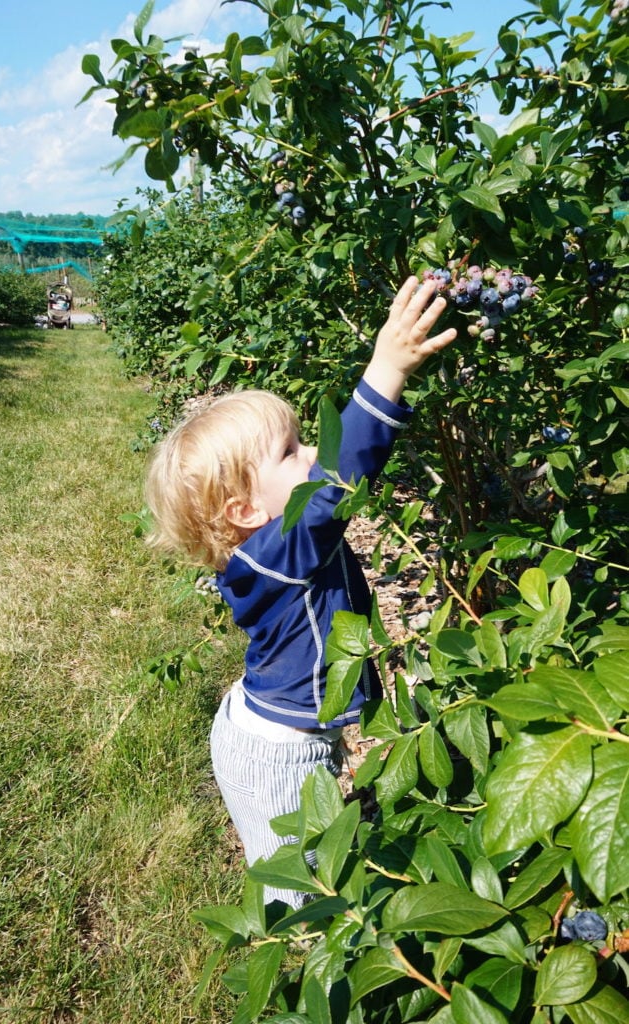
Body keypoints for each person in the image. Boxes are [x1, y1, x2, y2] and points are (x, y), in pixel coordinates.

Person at [145, 275, 457, 907]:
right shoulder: (277, 552)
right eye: (292, 452)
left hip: (264, 728)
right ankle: (309, 962)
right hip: (276, 758)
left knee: (305, 861)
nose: (312, 453)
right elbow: (336, 486)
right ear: (245, 510)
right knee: (302, 885)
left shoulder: (269, 553)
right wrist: (386, 369)